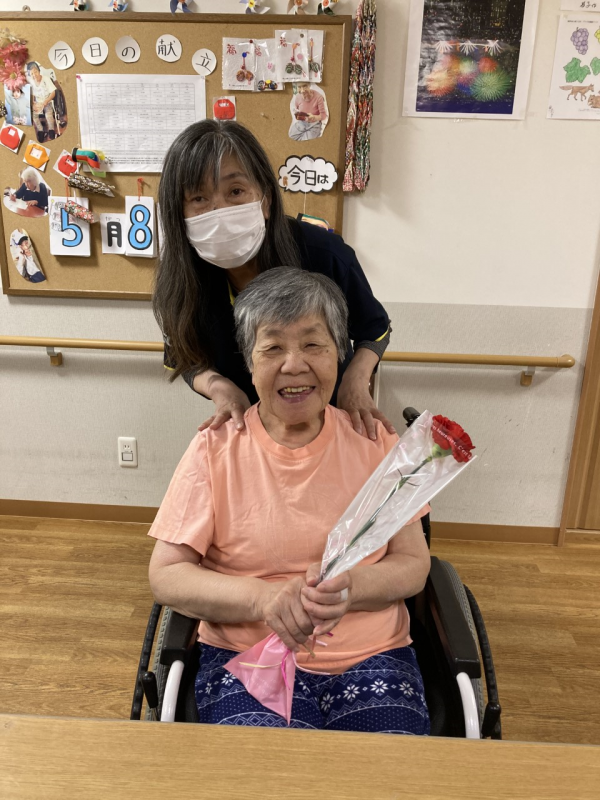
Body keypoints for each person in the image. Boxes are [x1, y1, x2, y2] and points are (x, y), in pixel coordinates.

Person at [149, 268, 431, 734]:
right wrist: (262, 599)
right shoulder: (215, 448)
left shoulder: (375, 441)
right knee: (267, 770)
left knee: (385, 766)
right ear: (249, 361)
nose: (294, 365)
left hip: (371, 654)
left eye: (313, 344)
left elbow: (413, 564)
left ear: (339, 353)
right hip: (247, 657)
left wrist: (350, 588)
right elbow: (166, 575)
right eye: (273, 348)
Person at [154, 120, 393, 441]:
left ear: (265, 199)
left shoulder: (324, 254)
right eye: (198, 198)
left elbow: (375, 330)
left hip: (331, 422)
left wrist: (356, 381)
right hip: (251, 430)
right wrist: (219, 388)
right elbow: (184, 358)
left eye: (235, 191)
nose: (219, 211)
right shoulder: (182, 282)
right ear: (177, 213)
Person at [26, 61, 57, 143]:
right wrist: (33, 103)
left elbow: (53, 93)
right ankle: (40, 130)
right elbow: (32, 95)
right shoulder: (32, 83)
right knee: (34, 116)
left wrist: (46, 101)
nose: (34, 75)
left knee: (48, 115)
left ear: (39, 71)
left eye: (35, 72)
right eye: (32, 74)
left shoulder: (46, 79)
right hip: (38, 103)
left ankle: (51, 130)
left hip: (47, 101)